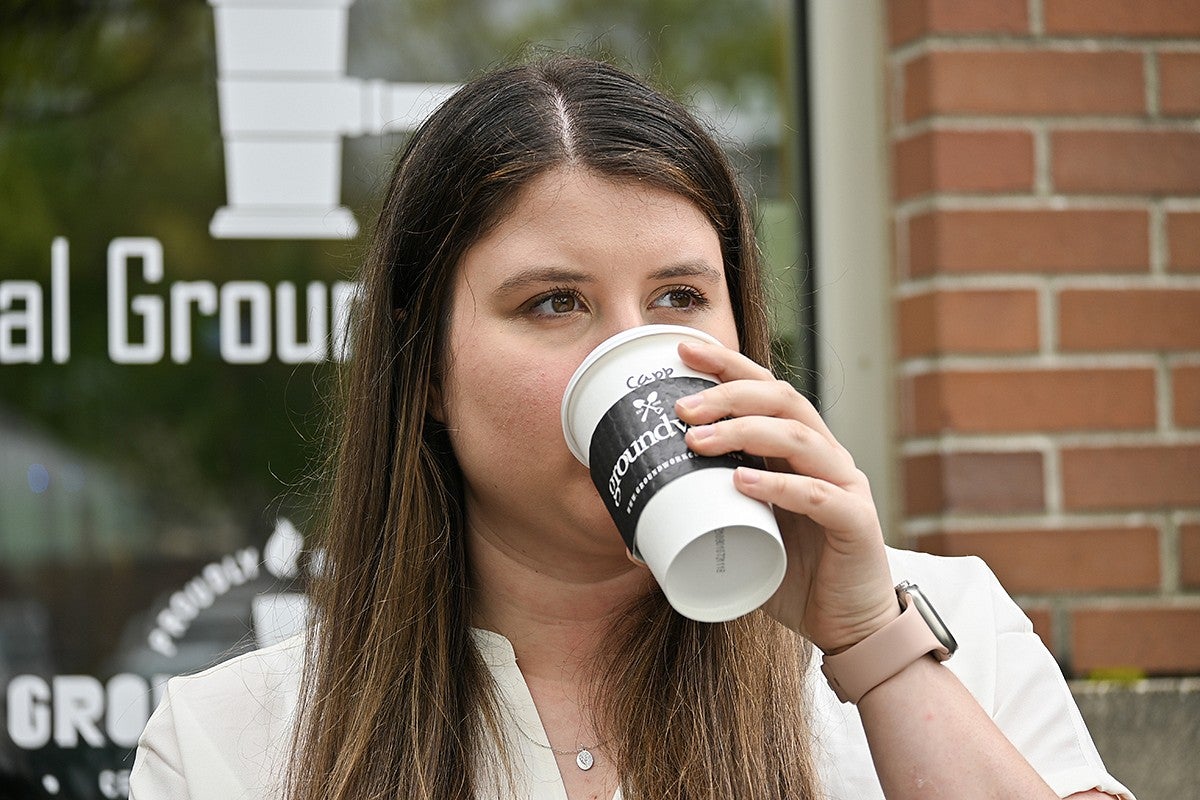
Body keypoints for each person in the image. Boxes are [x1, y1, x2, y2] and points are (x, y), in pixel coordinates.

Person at [129, 55, 1134, 800]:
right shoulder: (231, 741)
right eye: (553, 302)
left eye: (681, 295)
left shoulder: (945, 627)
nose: (632, 350)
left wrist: (873, 644)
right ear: (425, 365)